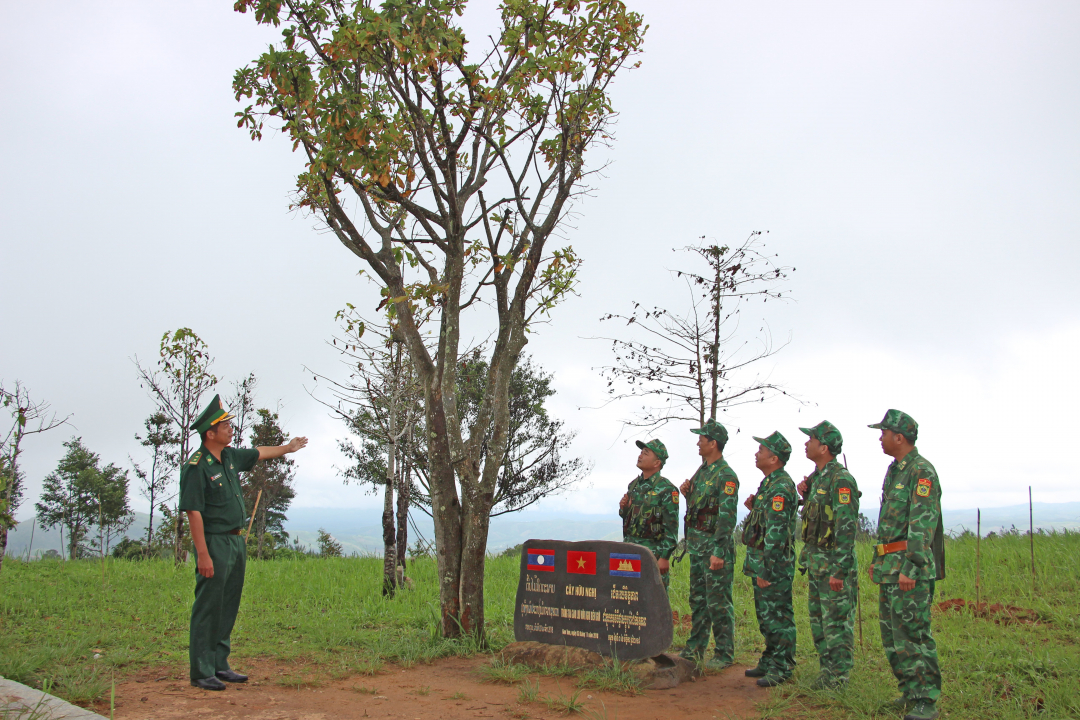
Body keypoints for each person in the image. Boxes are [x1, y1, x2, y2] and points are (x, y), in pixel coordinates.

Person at [179, 394, 308, 691]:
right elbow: (194, 512)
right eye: (224, 425)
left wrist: (287, 448)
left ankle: (219, 664)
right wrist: (202, 554)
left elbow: (259, 452)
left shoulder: (229, 456)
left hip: (237, 542)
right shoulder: (197, 466)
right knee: (208, 605)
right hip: (214, 542)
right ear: (210, 433)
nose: (230, 428)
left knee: (227, 604)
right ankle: (201, 670)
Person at [868, 410, 944, 720]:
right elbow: (887, 522)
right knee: (892, 635)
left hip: (909, 569)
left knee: (913, 633)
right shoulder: (894, 471)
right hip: (890, 566)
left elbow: (922, 525)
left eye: (883, 432)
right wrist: (878, 560)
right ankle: (910, 691)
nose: (880, 437)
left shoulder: (921, 471)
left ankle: (927, 699)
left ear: (899, 437)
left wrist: (911, 568)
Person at [796, 420, 860, 689]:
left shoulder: (840, 479)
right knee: (819, 621)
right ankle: (827, 672)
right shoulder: (817, 478)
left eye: (810, 439)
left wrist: (840, 569)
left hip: (833, 565)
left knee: (837, 622)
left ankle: (840, 677)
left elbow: (846, 528)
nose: (805, 443)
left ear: (823, 447)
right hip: (817, 563)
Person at [677, 419, 740, 669]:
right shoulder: (702, 472)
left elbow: (727, 517)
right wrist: (688, 494)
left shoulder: (726, 476)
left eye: (701, 439)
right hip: (698, 548)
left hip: (715, 551)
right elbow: (700, 508)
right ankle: (695, 648)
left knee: (718, 602)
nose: (698, 443)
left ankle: (724, 653)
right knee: (699, 600)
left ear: (713, 443)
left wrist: (719, 552)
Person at [741, 431, 797, 687]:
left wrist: (766, 568)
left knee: (778, 615)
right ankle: (770, 657)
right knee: (765, 615)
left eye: (761, 450)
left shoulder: (781, 487)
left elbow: (776, 533)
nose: (757, 453)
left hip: (773, 564)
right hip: (761, 561)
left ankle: (782, 665)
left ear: (774, 458)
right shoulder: (769, 484)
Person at [619, 439, 678, 591]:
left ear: (657, 463)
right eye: (641, 452)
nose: (640, 455)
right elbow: (628, 519)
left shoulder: (667, 489)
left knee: (654, 600)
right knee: (629, 596)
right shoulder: (633, 485)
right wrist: (624, 509)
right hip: (631, 551)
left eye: (646, 453)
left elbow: (671, 527)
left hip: (653, 554)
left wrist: (664, 557)